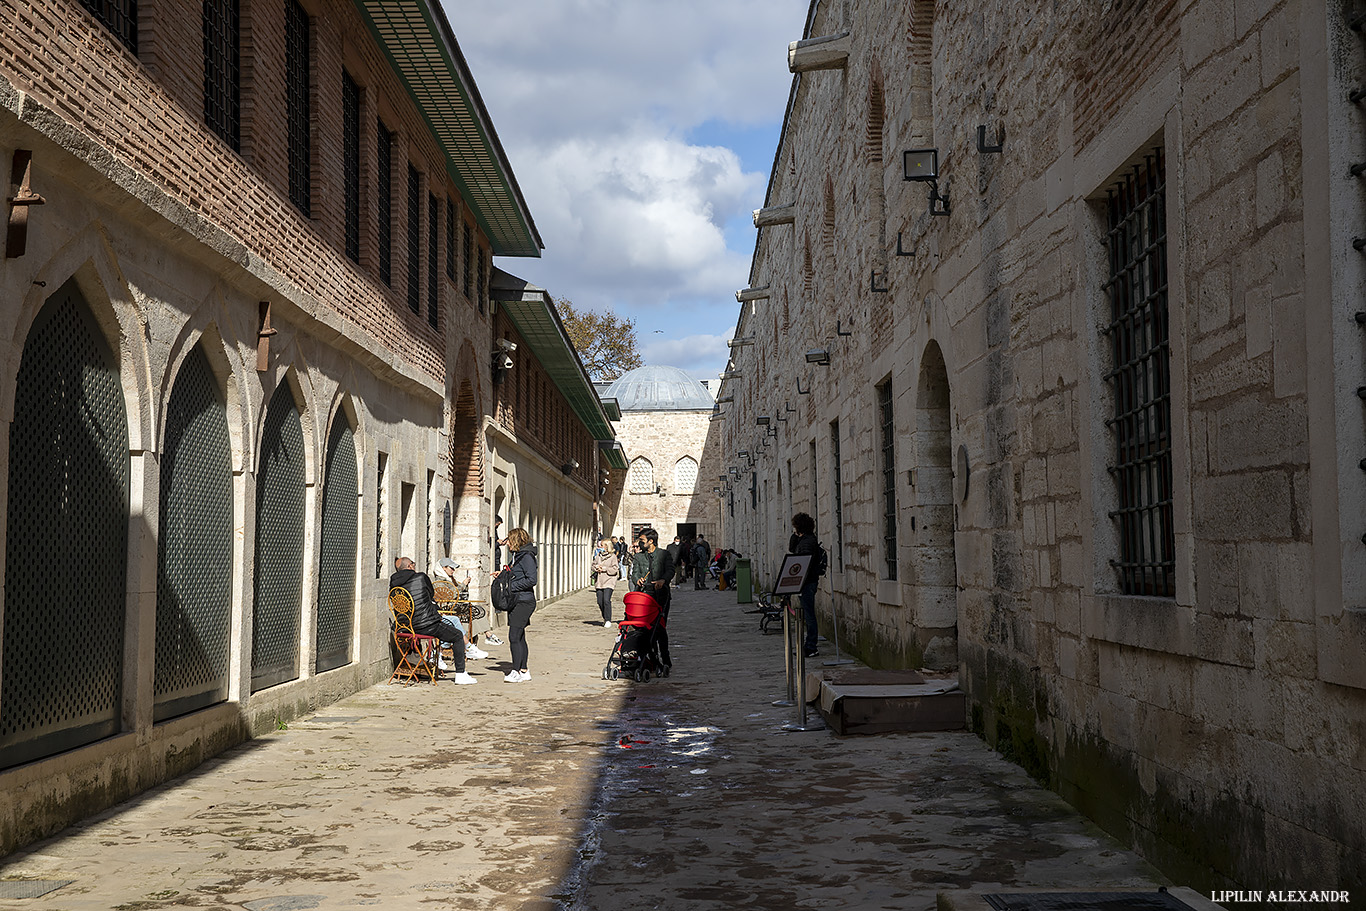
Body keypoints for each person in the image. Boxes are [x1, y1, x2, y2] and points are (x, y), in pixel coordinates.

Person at [390, 556, 477, 684]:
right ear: (409, 566)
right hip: (426, 625)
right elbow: (430, 595)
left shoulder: (393, 582)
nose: (414, 566)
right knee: (458, 635)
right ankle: (460, 674)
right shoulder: (421, 577)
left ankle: (436, 656)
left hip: (405, 627)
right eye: (413, 564)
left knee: (446, 626)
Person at [491, 527, 537, 682]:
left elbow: (531, 579)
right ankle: (524, 670)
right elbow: (515, 574)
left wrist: (511, 587)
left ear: (516, 540)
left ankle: (516, 671)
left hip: (524, 601)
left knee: (513, 636)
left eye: (510, 540)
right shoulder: (517, 556)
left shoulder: (527, 557)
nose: (508, 544)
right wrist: (503, 575)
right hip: (516, 600)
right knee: (520, 635)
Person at [433, 557, 488, 660]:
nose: (453, 571)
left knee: (477, 611)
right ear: (444, 568)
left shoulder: (450, 579)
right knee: (472, 613)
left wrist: (464, 585)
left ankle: (484, 637)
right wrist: (463, 584)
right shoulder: (440, 581)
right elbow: (451, 595)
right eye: (451, 568)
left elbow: (461, 593)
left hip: (454, 607)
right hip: (448, 609)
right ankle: (473, 644)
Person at [636, 528, 673, 669]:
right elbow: (634, 573)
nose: (640, 543)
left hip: (661, 596)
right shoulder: (639, 557)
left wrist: (663, 580)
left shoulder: (664, 554)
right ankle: (652, 657)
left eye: (642, 541)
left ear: (651, 541)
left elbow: (670, 570)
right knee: (647, 628)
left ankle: (665, 658)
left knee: (660, 627)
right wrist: (637, 579)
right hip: (645, 596)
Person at [789, 513, 821, 658]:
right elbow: (792, 548)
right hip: (805, 582)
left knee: (809, 615)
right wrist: (796, 535)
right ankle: (808, 645)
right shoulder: (804, 539)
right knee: (806, 614)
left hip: (808, 582)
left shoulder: (808, 541)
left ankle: (811, 647)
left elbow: (804, 561)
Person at [591, 535, 620, 626]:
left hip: (609, 580)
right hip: (599, 581)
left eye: (602, 545)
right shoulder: (598, 556)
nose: (600, 547)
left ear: (607, 546)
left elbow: (615, 569)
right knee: (600, 601)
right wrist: (596, 568)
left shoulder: (612, 557)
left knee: (606, 600)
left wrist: (604, 568)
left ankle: (608, 619)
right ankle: (605, 617)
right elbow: (593, 565)